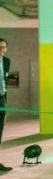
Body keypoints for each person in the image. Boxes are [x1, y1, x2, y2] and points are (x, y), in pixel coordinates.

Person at [0, 37, 12, 172]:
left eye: (3, 47)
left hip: (2, 98)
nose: (1, 50)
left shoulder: (7, 61)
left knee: (0, 129)